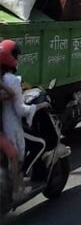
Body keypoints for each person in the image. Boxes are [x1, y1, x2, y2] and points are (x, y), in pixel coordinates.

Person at [0, 40, 50, 199]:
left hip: (5, 124)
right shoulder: (11, 80)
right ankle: (18, 187)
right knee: (35, 146)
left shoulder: (3, 79)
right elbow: (20, 110)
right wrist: (40, 105)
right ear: (11, 58)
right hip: (12, 126)